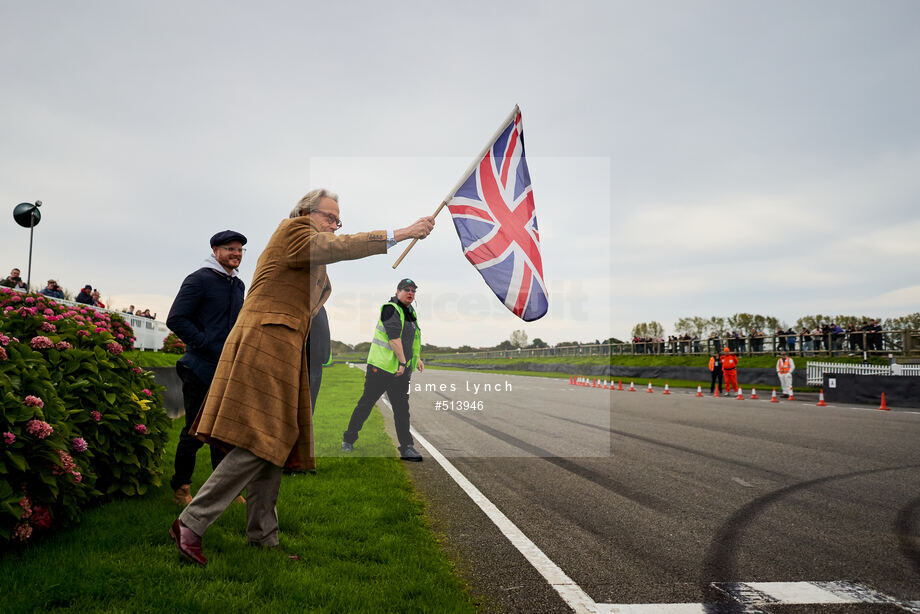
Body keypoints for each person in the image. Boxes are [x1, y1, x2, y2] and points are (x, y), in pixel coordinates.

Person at [169, 188, 434, 566]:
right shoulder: (291, 231)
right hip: (266, 343)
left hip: (286, 348)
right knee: (263, 437)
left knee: (277, 438)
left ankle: (263, 537)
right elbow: (340, 247)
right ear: (305, 212)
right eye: (329, 217)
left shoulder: (312, 257)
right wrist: (402, 232)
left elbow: (328, 256)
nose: (333, 225)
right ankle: (191, 523)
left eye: (337, 221)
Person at [166, 230, 248, 506]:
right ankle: (181, 487)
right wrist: (205, 344)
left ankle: (223, 490)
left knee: (223, 433)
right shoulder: (199, 279)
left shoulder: (238, 286)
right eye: (230, 249)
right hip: (198, 366)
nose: (236, 254)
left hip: (227, 370)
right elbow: (176, 318)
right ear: (215, 250)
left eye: (239, 250)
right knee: (193, 431)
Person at [341, 278, 424, 461]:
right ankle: (348, 440)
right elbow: (394, 339)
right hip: (382, 368)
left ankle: (407, 448)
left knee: (402, 409)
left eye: (413, 290)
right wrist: (402, 363)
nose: (410, 293)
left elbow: (412, 338)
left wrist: (416, 357)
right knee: (366, 405)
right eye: (406, 289)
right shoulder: (389, 309)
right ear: (397, 291)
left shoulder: (410, 312)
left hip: (402, 372)